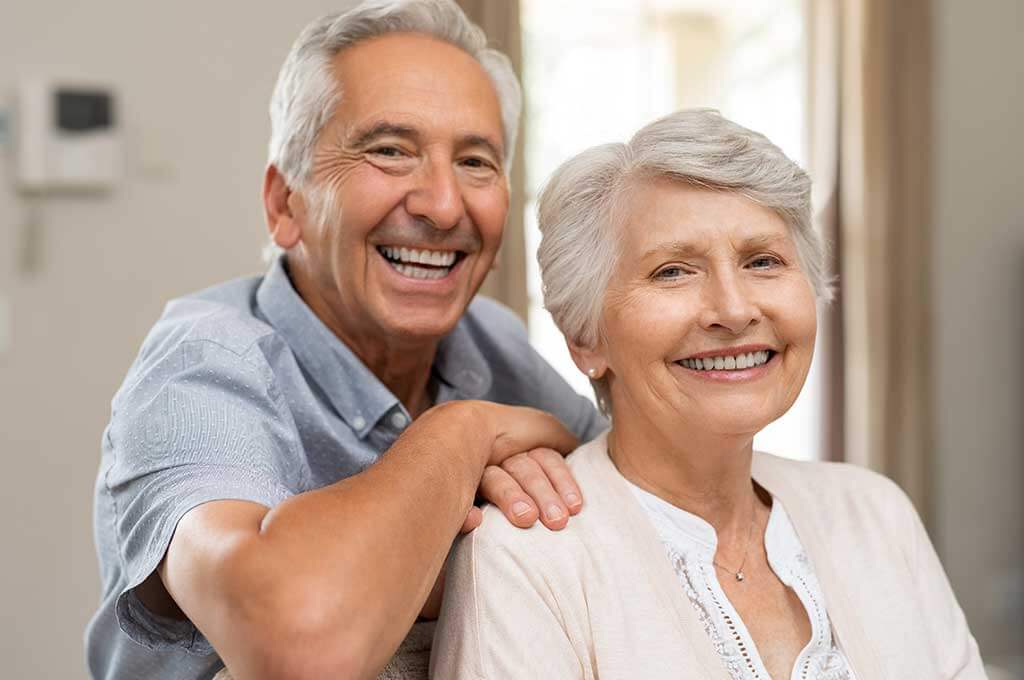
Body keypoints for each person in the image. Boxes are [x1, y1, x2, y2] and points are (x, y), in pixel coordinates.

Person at [85, 2, 605, 679]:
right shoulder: (204, 366)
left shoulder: (488, 338)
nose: (445, 205)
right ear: (284, 205)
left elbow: (641, 505)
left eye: (476, 161)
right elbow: (298, 645)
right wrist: (462, 433)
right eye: (390, 151)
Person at [432, 110, 987, 679]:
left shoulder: (876, 513)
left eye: (763, 261)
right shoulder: (523, 561)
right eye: (673, 271)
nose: (734, 309)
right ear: (584, 337)